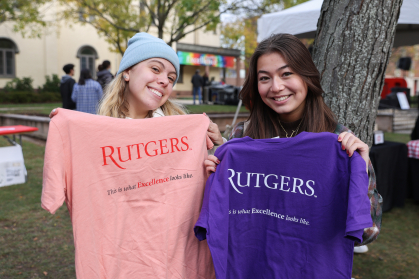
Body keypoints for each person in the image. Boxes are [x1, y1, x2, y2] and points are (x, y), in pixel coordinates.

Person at [205, 33, 382, 247]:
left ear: (307, 76)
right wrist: (216, 171)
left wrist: (359, 175)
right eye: (264, 78)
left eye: (286, 74)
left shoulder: (339, 141)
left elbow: (367, 233)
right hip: (253, 262)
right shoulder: (243, 134)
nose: (276, 87)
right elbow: (225, 215)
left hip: (310, 264)